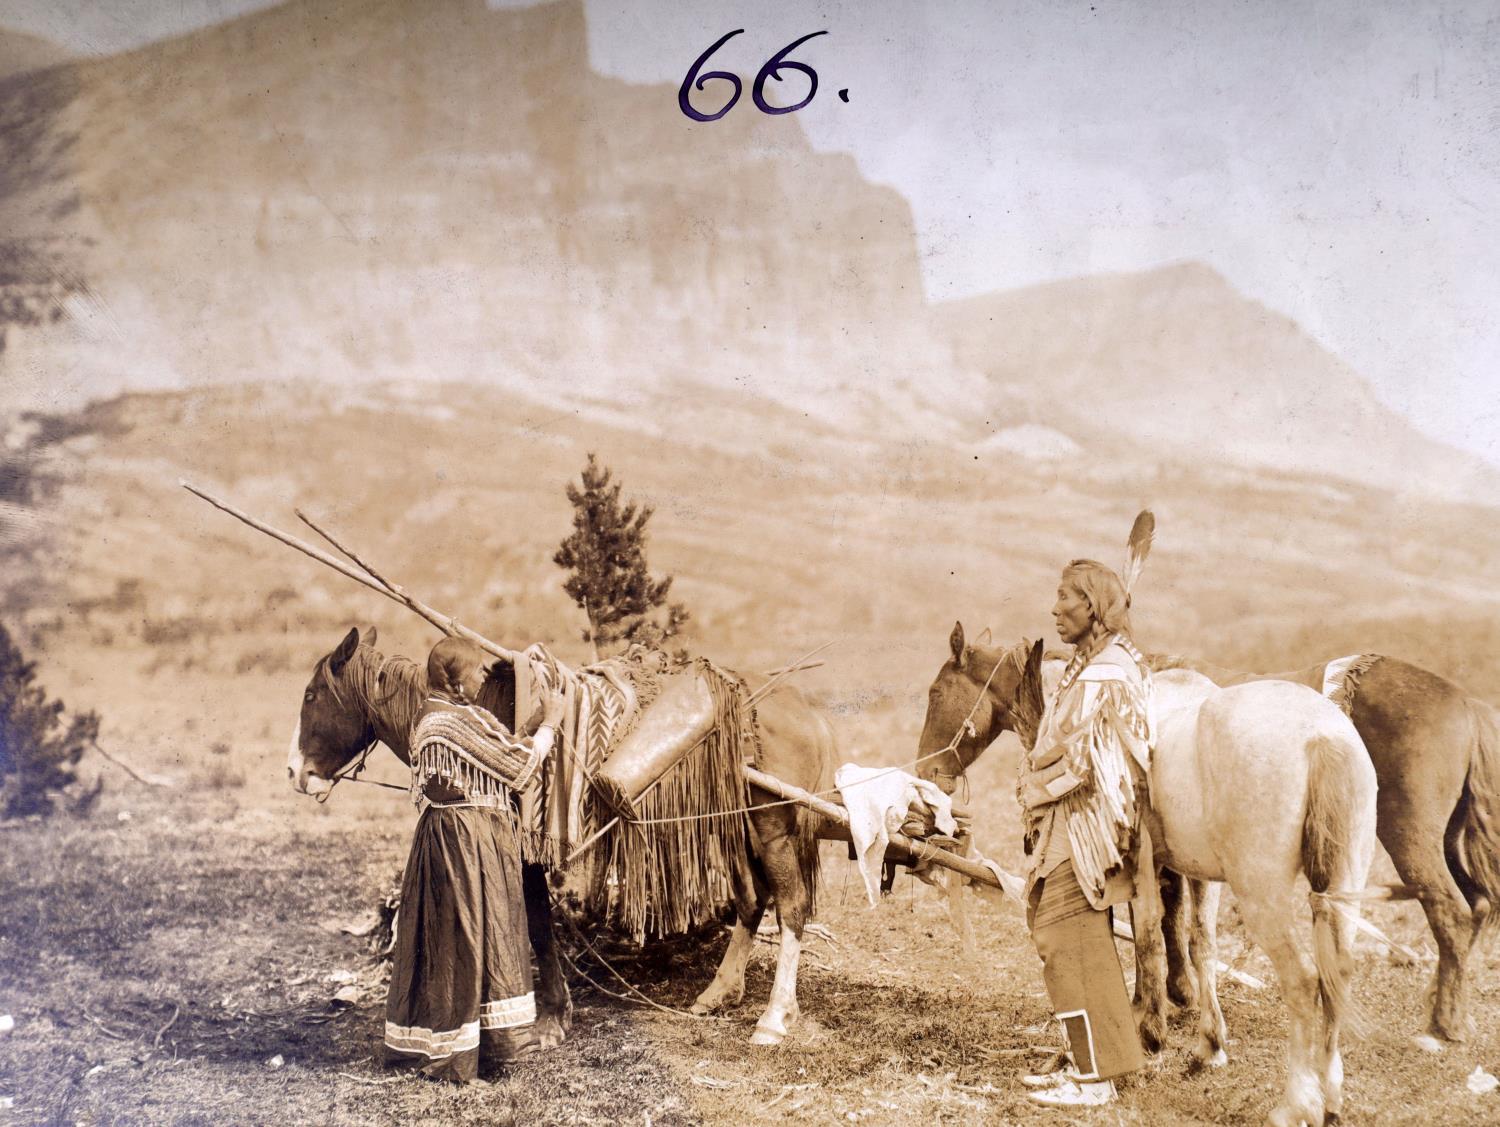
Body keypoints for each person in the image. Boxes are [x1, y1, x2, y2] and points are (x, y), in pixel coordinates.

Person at [383, 636, 566, 1082]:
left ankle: (484, 1044)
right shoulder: (447, 722)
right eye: (476, 670)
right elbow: (516, 767)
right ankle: (456, 1058)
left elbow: (494, 753)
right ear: (452, 677)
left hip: (461, 841)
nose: (483, 676)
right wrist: (551, 724)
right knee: (464, 941)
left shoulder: (444, 717)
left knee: (474, 938)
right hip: (464, 845)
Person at [1017, 558, 1154, 1108]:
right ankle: (1087, 1062)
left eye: (1066, 598)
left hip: (1089, 827)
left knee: (1068, 938)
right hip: (1065, 822)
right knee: (1060, 939)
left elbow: (1093, 758)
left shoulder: (1110, 670)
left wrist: (1034, 787)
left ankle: (1099, 1077)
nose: (1054, 609)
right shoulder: (1088, 665)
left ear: (1092, 605)